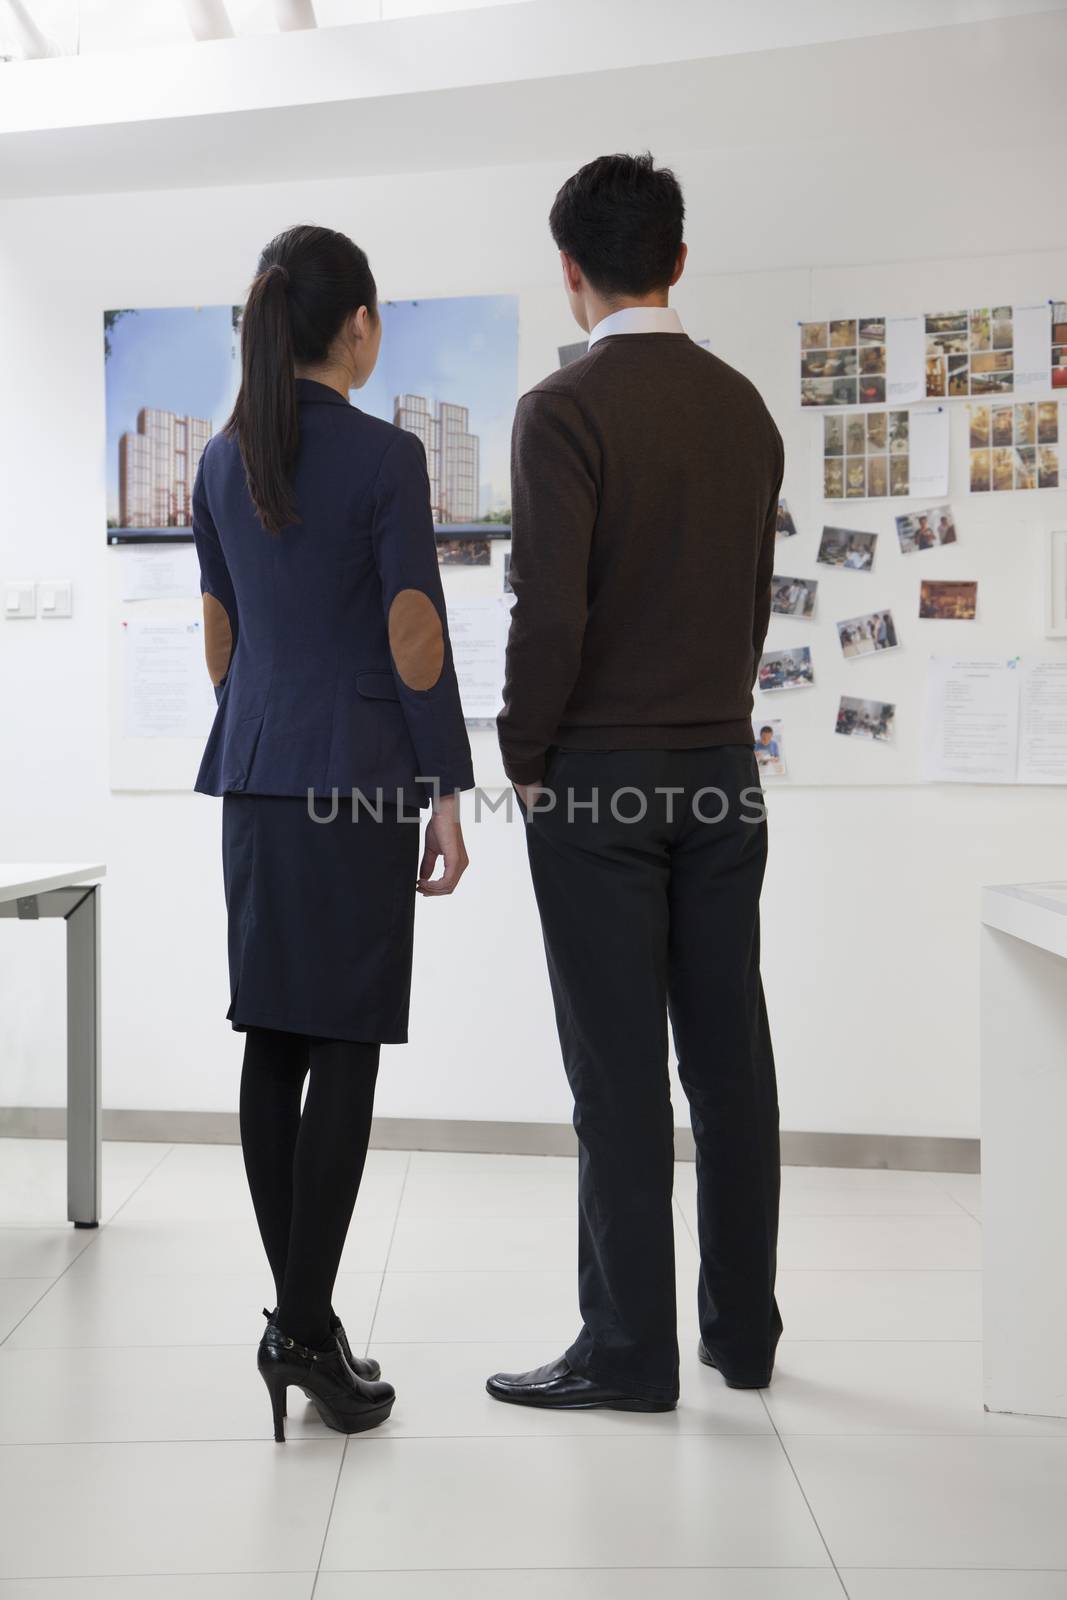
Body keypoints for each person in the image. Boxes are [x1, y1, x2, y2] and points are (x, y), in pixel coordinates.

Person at [489, 154, 785, 1413]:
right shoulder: (746, 408)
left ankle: (626, 1350)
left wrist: (523, 756)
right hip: (722, 764)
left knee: (615, 1078)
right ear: (676, 258)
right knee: (728, 1062)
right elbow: (746, 609)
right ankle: (742, 1334)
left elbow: (547, 616)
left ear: (571, 273)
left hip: (599, 781)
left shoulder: (564, 410)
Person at [192, 224, 473, 1441]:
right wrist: (448, 786)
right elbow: (414, 630)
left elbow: (220, 633)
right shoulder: (385, 457)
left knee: (273, 1040)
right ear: (352, 325)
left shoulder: (217, 459)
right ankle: (300, 1328)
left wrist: (265, 726)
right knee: (347, 1041)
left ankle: (301, 1316)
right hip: (356, 778)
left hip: (255, 775)